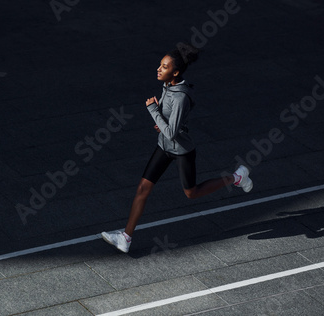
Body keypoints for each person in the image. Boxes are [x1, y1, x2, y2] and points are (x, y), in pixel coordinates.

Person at [101, 42, 253, 253]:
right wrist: (161, 122)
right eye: (160, 65)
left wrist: (153, 110)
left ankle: (236, 178)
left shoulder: (180, 96)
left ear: (176, 72)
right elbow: (170, 126)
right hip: (164, 147)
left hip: (182, 151)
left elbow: (172, 132)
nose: (159, 69)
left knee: (191, 193)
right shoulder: (169, 86)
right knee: (142, 189)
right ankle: (126, 237)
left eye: (164, 67)